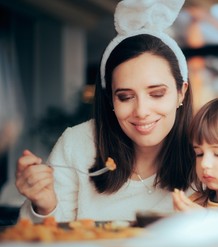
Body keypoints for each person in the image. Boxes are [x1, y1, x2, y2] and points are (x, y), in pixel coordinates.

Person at [15, 0, 195, 222]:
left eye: (156, 94)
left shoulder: (207, 148)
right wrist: (44, 205)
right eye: (125, 97)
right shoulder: (79, 144)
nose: (141, 111)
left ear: (181, 92)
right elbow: (42, 241)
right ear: (110, 98)